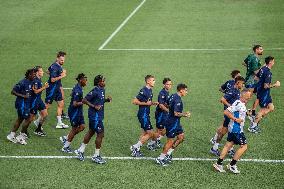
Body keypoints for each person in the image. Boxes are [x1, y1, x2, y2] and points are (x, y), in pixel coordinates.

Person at [74, 75, 112, 164]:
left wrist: (106, 100)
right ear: (99, 83)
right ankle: (96, 156)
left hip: (98, 116)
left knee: (91, 132)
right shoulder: (95, 91)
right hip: (95, 116)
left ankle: (80, 150)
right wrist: (94, 106)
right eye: (103, 81)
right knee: (100, 134)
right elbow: (84, 100)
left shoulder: (102, 90)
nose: (104, 82)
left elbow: (99, 101)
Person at [213, 89, 252, 174]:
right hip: (236, 130)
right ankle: (232, 165)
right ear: (243, 95)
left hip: (233, 128)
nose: (250, 97)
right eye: (248, 95)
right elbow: (226, 112)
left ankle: (218, 163)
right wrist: (235, 119)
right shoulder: (239, 104)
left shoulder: (239, 103)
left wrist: (247, 113)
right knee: (244, 147)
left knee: (228, 145)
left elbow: (238, 111)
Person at [156, 83, 190, 166]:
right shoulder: (177, 100)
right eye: (186, 90)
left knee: (181, 137)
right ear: (181, 90)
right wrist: (184, 114)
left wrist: (170, 111)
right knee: (170, 141)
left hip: (175, 122)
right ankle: (160, 158)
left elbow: (166, 104)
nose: (187, 92)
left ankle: (168, 154)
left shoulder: (172, 95)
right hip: (172, 122)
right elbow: (176, 113)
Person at [210, 76, 245, 157]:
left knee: (226, 131)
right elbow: (222, 99)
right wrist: (230, 107)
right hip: (229, 115)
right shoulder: (233, 91)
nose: (243, 85)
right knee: (226, 132)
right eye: (242, 83)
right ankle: (219, 148)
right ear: (238, 82)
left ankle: (220, 148)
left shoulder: (237, 91)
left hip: (231, 115)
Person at [248, 56, 280, 133]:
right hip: (264, 94)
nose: (274, 62)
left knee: (271, 107)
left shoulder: (262, 69)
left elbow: (256, 78)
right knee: (262, 110)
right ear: (270, 62)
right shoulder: (268, 72)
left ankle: (256, 118)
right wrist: (275, 84)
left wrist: (259, 86)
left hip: (264, 93)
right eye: (273, 61)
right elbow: (266, 86)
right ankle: (253, 126)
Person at [130, 75, 159, 157]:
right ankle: (135, 147)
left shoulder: (150, 91)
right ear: (148, 81)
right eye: (153, 80)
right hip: (143, 115)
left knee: (144, 132)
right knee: (150, 133)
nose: (154, 82)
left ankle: (136, 150)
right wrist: (146, 103)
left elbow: (148, 102)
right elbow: (134, 101)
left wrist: (153, 103)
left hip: (146, 114)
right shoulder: (144, 90)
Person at [7, 69, 35, 145]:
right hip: (22, 104)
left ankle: (11, 135)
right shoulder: (22, 82)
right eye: (33, 74)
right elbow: (12, 92)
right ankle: (21, 136)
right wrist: (23, 96)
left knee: (20, 119)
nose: (34, 76)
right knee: (29, 119)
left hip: (26, 104)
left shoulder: (31, 81)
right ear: (29, 75)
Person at [60, 73, 87, 153]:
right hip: (74, 112)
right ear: (81, 80)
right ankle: (65, 147)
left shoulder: (78, 87)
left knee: (82, 127)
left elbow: (72, 93)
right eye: (85, 80)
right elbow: (75, 104)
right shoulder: (78, 90)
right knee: (74, 129)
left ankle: (66, 138)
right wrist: (84, 102)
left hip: (79, 111)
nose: (86, 82)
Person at [45, 51, 68, 129]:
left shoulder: (56, 65)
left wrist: (57, 74)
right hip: (52, 89)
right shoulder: (55, 67)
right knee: (47, 106)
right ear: (57, 59)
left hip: (57, 88)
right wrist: (62, 76)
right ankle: (38, 120)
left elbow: (48, 71)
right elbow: (52, 80)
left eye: (63, 60)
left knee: (61, 104)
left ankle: (59, 123)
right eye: (61, 60)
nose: (63, 61)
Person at [242, 45, 263, 120]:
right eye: (260, 49)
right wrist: (263, 69)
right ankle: (239, 112)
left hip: (253, 81)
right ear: (256, 50)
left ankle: (252, 111)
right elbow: (255, 71)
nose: (262, 50)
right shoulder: (254, 58)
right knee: (246, 98)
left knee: (259, 95)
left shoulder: (250, 56)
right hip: (251, 81)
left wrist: (249, 67)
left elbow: (243, 62)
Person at [153, 78, 172, 148]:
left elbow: (165, 104)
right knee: (159, 130)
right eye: (167, 84)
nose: (169, 86)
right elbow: (161, 105)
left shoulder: (167, 92)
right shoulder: (162, 93)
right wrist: (169, 111)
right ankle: (152, 143)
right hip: (160, 114)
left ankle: (156, 140)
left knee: (165, 128)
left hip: (164, 114)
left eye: (170, 84)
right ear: (164, 85)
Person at [30, 66, 49, 136]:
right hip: (34, 101)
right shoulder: (35, 80)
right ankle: (23, 132)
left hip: (39, 100)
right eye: (41, 71)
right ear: (37, 72)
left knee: (45, 114)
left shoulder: (39, 79)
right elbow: (35, 92)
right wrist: (45, 87)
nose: (43, 72)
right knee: (30, 119)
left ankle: (38, 129)